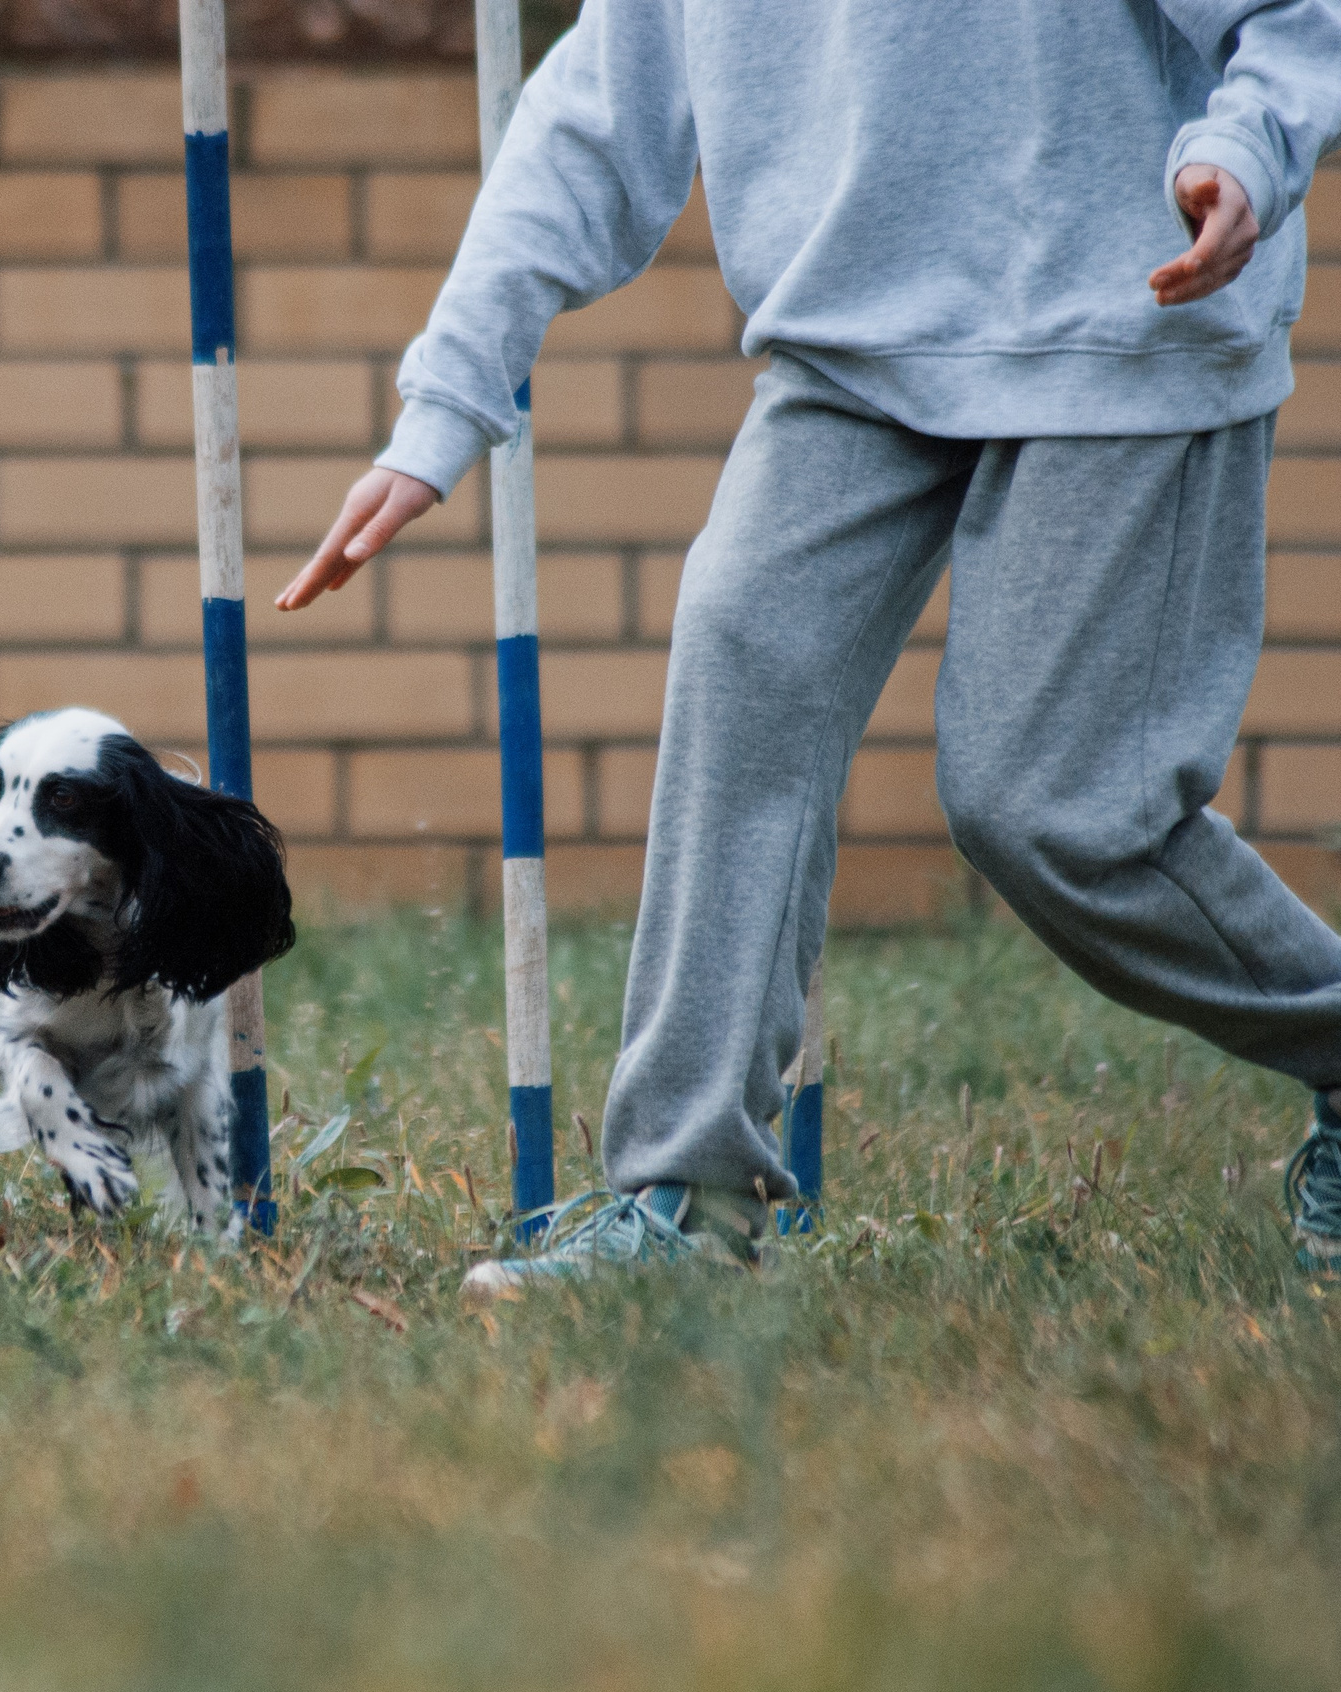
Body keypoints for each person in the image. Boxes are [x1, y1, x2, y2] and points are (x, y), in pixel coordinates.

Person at [276, 0, 1341, 1284]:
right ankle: (690, 1197)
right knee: (740, 673)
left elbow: (1294, 17)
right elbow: (596, 116)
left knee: (1050, 809)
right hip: (847, 344)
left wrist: (1250, 146)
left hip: (1123, 322)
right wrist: (447, 398)